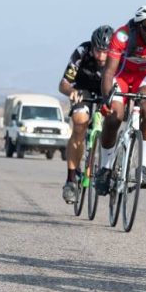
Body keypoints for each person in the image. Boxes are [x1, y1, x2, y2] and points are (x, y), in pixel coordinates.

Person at [96, 3, 146, 193]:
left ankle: (142, 167)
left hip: (145, 76)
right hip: (121, 75)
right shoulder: (123, 35)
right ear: (139, 25)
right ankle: (105, 168)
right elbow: (108, 72)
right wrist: (107, 99)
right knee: (114, 117)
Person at [57, 24, 113, 204]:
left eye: (105, 52)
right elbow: (63, 84)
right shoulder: (82, 51)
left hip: (107, 92)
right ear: (92, 47)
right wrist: (71, 92)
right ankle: (71, 179)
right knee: (80, 122)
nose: (101, 57)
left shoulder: (118, 55)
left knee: (114, 122)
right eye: (98, 51)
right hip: (83, 90)